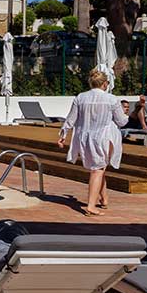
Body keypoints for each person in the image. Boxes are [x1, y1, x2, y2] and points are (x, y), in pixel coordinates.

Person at [58, 69, 127, 217]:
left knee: (99, 167)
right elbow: (121, 121)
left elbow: (71, 118)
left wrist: (63, 134)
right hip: (103, 137)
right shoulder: (111, 99)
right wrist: (128, 114)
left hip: (85, 137)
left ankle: (104, 198)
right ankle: (91, 205)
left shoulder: (80, 98)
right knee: (98, 169)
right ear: (105, 84)